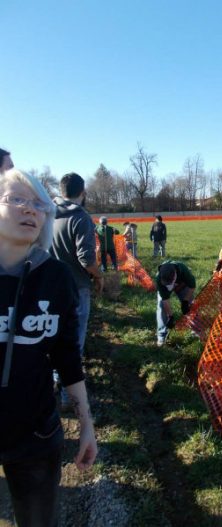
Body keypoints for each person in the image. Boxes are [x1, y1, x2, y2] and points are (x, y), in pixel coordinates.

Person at [0, 169, 97, 526]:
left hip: (36, 432)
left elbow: (67, 355)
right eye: (17, 199)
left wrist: (86, 423)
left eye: (38, 204)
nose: (31, 210)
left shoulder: (55, 277)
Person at [50, 173, 103, 408]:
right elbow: (86, 258)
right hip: (76, 288)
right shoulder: (80, 217)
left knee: (53, 337)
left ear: (62, 191)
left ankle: (54, 381)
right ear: (83, 192)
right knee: (73, 342)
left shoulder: (47, 215)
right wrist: (99, 275)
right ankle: (68, 395)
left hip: (49, 287)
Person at [155, 260, 196, 346]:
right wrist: (170, 316)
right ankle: (162, 336)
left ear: (174, 276)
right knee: (161, 306)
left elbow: (192, 286)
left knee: (191, 304)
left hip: (181, 284)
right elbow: (165, 299)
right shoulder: (159, 278)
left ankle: (196, 330)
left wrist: (185, 301)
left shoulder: (183, 270)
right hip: (164, 288)